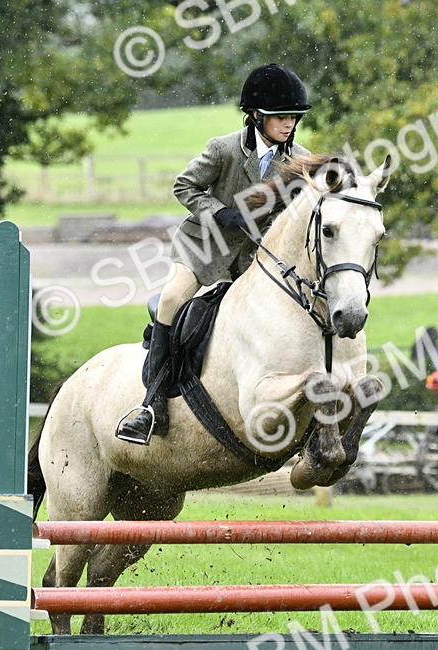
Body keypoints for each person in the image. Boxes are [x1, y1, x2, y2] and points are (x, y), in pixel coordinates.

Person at [116, 63, 313, 446]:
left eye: (293, 117)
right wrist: (221, 213)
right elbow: (184, 186)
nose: (288, 124)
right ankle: (151, 403)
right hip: (203, 248)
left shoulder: (299, 159)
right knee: (172, 299)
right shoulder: (223, 149)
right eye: (280, 117)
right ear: (255, 115)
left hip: (255, 259)